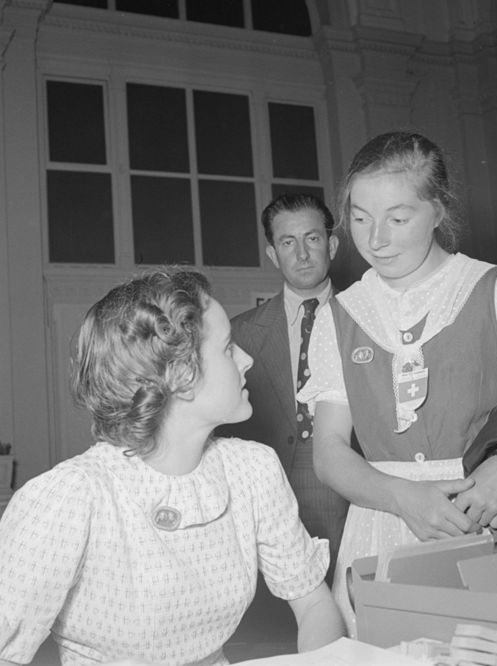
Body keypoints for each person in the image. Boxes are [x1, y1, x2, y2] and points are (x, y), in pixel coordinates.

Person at [297, 131, 497, 632]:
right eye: (360, 218)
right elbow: (329, 452)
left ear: (438, 211)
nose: (375, 239)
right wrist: (401, 497)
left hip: (488, 518)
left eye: (398, 218)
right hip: (381, 523)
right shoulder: (338, 317)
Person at [0, 269, 345, 666]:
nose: (247, 360)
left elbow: (315, 604)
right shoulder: (71, 497)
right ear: (181, 375)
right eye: (228, 348)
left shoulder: (252, 469)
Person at [219, 194, 349, 581]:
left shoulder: (367, 322)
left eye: (313, 239)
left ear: (332, 246)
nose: (302, 254)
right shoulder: (240, 334)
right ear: (273, 255)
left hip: (352, 499)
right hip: (268, 505)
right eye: (288, 242)